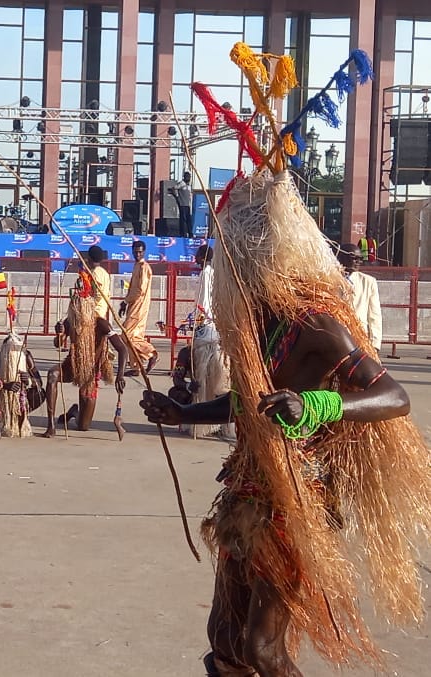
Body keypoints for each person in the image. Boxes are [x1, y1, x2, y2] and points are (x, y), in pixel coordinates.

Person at [140, 170, 431, 676]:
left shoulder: (317, 322)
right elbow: (253, 403)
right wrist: (184, 412)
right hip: (247, 490)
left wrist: (315, 405)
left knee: (263, 648)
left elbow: (394, 396)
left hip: (298, 497)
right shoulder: (255, 324)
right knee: (225, 641)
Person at [43, 276, 127, 437]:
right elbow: (58, 344)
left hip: (90, 374)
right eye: (76, 309)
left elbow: (122, 349)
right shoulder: (70, 321)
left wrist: (120, 376)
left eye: (81, 309)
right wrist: (59, 333)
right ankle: (51, 425)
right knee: (53, 374)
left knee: (83, 426)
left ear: (89, 308)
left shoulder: (101, 324)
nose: (78, 313)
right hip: (72, 366)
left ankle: (74, 412)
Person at [189, 244, 232, 439]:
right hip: (213, 329)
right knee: (214, 379)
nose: (195, 258)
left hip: (207, 329)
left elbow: (204, 304)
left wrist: (200, 321)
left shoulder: (207, 274)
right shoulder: (214, 274)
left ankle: (206, 423)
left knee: (204, 378)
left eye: (198, 255)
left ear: (202, 256)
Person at [0, 332, 46, 436]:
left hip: (22, 396)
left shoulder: (26, 356)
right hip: (1, 396)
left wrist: (29, 380)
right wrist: (4, 385)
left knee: (39, 393)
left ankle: (20, 417)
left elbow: (39, 383)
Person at [119, 240, 158, 376]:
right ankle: (136, 366)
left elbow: (140, 290)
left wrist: (126, 301)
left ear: (144, 252)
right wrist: (125, 303)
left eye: (140, 251)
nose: (137, 254)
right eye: (135, 251)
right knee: (133, 335)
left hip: (139, 306)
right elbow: (132, 288)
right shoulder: (136, 266)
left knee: (127, 334)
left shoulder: (144, 267)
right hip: (133, 304)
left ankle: (151, 353)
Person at [336, 242, 382, 352]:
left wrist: (375, 345)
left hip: (359, 341)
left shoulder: (368, 282)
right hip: (336, 339)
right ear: (341, 257)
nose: (358, 262)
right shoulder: (328, 280)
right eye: (354, 258)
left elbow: (375, 316)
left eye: (360, 258)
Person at [169, 171, 194, 238]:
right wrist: (177, 197)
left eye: (189, 177)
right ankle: (183, 233)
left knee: (189, 219)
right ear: (184, 177)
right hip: (182, 204)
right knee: (183, 219)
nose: (188, 178)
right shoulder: (182, 183)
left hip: (187, 204)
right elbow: (174, 188)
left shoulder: (189, 185)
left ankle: (190, 233)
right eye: (187, 177)